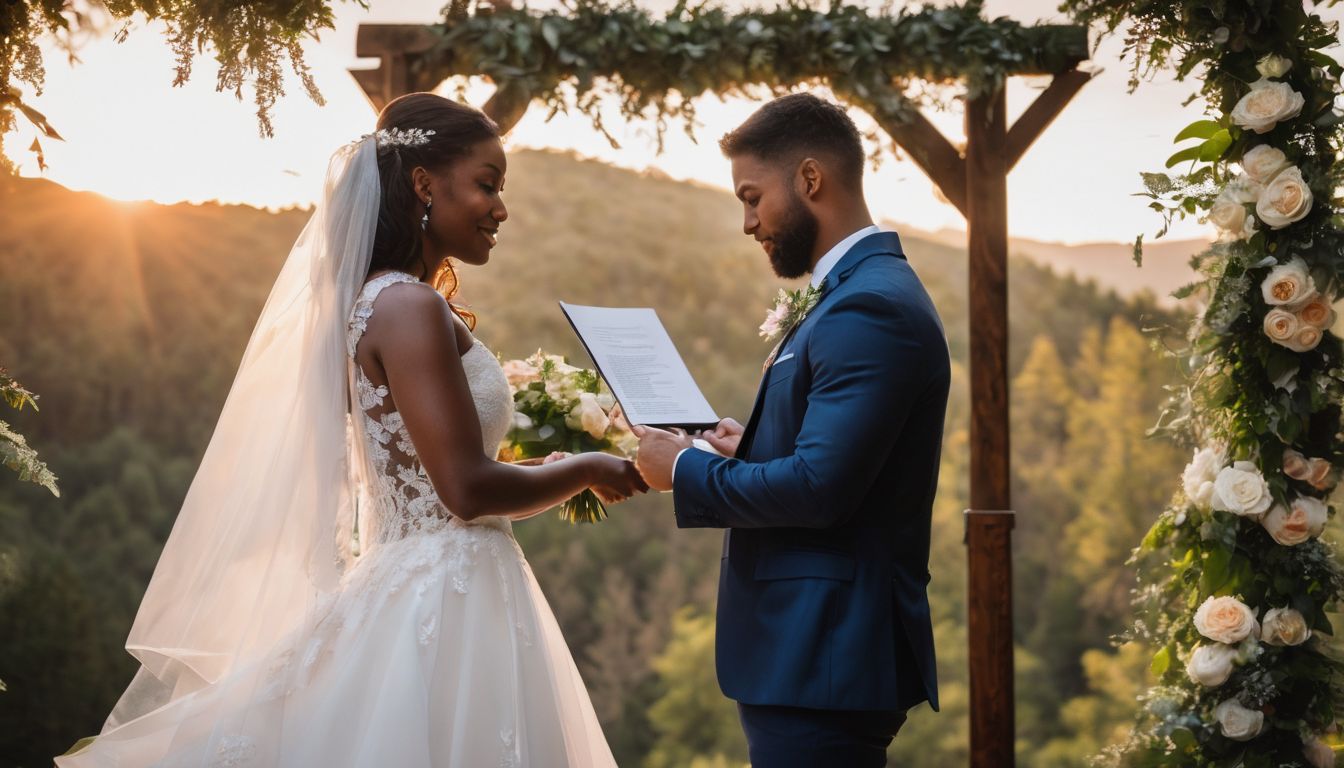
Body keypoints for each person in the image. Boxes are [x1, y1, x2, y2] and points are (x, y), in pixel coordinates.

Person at [57, 92, 644, 767]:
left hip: (440, 579)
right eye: (487, 184)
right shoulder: (408, 305)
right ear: (424, 184)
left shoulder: (380, 302)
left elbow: (437, 478)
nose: (500, 208)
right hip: (441, 597)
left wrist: (554, 469)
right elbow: (465, 492)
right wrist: (587, 468)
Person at [633, 92, 950, 767]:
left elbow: (818, 489)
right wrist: (746, 446)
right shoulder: (854, 293)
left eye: (753, 198)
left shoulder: (870, 306)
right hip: (811, 656)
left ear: (809, 179)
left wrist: (684, 468)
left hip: (825, 653)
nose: (748, 223)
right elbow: (835, 455)